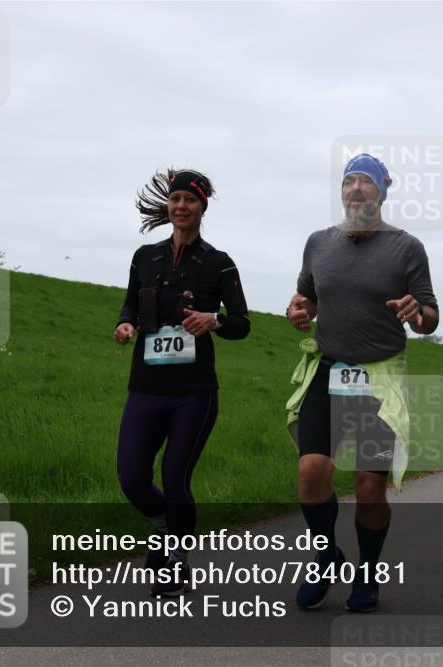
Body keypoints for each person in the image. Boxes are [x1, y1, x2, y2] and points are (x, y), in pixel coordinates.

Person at [285, 153, 439, 613]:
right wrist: (299, 312)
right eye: (348, 181)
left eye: (365, 183)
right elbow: (307, 297)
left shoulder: (406, 248)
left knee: (370, 487)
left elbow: (430, 316)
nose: (355, 189)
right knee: (312, 470)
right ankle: (325, 555)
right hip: (329, 370)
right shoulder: (318, 243)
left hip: (378, 377)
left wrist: (419, 315)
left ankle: (368, 574)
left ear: (382, 193)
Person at [114, 168, 250, 596]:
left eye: (189, 201)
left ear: (202, 207)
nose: (181, 207)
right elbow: (128, 307)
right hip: (146, 387)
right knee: (132, 476)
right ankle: (164, 526)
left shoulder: (219, 262)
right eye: (175, 200)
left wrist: (216, 320)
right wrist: (124, 326)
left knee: (175, 476)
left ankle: (177, 557)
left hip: (194, 393)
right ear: (168, 206)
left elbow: (242, 324)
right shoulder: (144, 257)